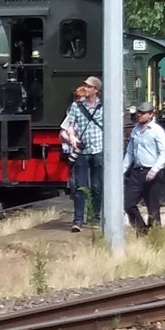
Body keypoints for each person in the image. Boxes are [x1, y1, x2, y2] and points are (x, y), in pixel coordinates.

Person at [123, 100, 165, 235]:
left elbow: (164, 153)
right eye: (139, 112)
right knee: (128, 203)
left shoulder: (157, 131)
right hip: (137, 172)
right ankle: (142, 231)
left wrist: (154, 170)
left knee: (153, 208)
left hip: (152, 172)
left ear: (151, 114)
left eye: (143, 113)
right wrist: (122, 170)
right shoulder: (135, 130)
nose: (140, 115)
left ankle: (156, 236)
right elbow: (130, 152)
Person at [65, 75, 104, 232]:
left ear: (96, 90)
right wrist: (72, 136)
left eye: (89, 86)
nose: (85, 88)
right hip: (82, 151)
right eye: (85, 86)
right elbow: (70, 125)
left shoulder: (103, 106)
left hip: (98, 150)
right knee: (81, 187)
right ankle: (78, 220)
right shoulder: (76, 106)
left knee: (96, 186)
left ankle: (95, 217)